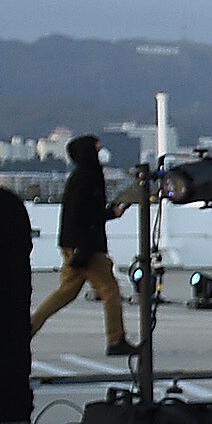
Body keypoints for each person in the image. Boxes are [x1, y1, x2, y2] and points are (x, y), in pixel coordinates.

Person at [28, 135, 133, 357]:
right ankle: (116, 340)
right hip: (86, 245)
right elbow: (83, 215)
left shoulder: (82, 177)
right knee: (111, 291)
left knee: (66, 292)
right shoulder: (88, 177)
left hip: (74, 243)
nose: (101, 150)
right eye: (97, 147)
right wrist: (110, 214)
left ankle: (27, 329)